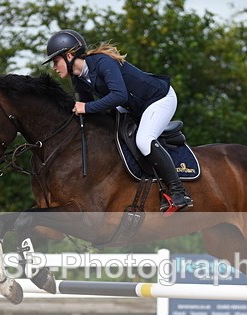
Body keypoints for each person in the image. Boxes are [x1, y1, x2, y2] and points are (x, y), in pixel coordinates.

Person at [42, 29, 193, 212]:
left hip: (158, 99)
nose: (54, 67)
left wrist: (86, 108)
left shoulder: (103, 62)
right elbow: (89, 110)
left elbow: (118, 96)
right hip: (132, 105)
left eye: (56, 61)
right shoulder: (79, 78)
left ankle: (179, 193)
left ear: (69, 55)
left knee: (144, 141)